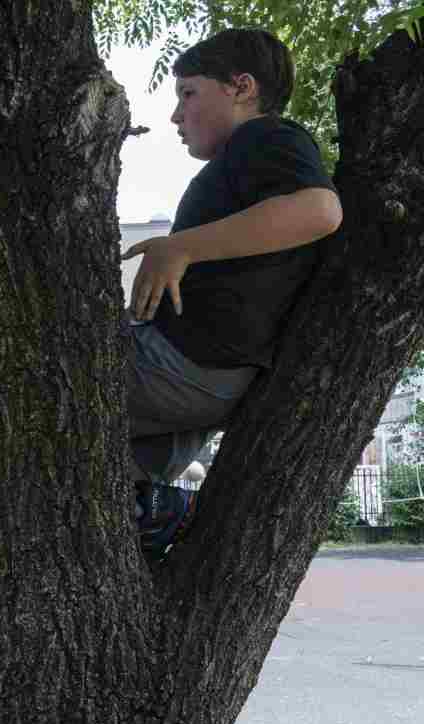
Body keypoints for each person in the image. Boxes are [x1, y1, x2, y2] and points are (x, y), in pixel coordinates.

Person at [124, 28, 343, 558]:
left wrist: (181, 247)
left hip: (184, 364)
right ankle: (156, 512)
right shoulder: (244, 159)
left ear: (242, 88)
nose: (176, 115)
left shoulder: (266, 137)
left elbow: (321, 210)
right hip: (207, 380)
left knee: (16, 379)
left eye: (189, 93)